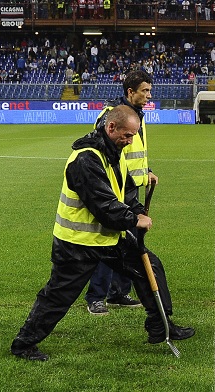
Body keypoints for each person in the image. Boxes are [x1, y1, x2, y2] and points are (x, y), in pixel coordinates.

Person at [10, 105, 194, 361]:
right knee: (58, 295)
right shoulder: (85, 159)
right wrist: (133, 219)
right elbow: (103, 205)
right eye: (127, 135)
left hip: (107, 238)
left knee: (149, 266)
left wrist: (138, 210)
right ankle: (23, 344)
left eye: (133, 136)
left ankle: (160, 326)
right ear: (111, 127)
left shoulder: (115, 152)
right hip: (77, 243)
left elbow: (126, 190)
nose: (130, 141)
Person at [84, 70, 157, 315]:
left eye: (149, 90)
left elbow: (134, 151)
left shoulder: (139, 116)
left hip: (132, 188)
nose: (149, 95)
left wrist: (147, 171)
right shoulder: (110, 116)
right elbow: (104, 151)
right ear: (130, 92)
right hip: (114, 188)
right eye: (144, 90)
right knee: (108, 241)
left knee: (132, 242)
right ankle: (96, 297)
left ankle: (119, 292)